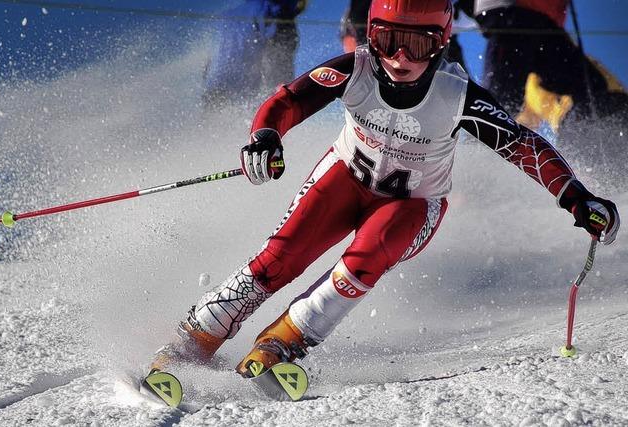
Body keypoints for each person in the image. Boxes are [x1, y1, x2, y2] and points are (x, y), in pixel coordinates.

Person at [150, 0, 620, 378]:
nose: (400, 59)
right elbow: (288, 101)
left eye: (417, 44)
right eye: (388, 40)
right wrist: (266, 137)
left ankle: (285, 338)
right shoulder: (356, 68)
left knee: (371, 252)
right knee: (282, 256)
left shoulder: (458, 95)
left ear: (441, 43)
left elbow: (523, 146)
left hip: (412, 205)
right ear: (371, 34)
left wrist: (576, 197)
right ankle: (196, 338)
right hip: (344, 181)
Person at [454, 0, 628, 132]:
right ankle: (485, 138)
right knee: (501, 103)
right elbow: (525, 122)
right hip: (522, 17)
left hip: (527, 18)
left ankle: (484, 139)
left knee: (500, 103)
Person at [203, 0, 306, 104]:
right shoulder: (275, 9)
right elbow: (280, 57)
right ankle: (282, 97)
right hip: (249, 92)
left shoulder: (230, 15)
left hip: (217, 87)